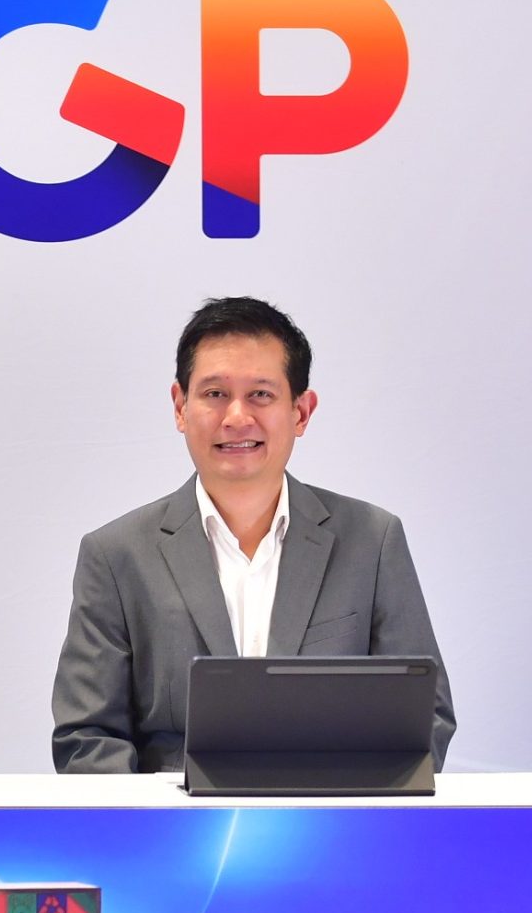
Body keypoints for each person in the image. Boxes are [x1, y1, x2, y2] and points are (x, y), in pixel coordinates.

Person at [50, 295, 454, 773]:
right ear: (180, 407)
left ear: (301, 412)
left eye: (261, 394)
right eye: (214, 393)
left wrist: (332, 803)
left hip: (329, 815)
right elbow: (87, 738)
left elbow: (423, 719)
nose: (237, 417)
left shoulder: (372, 541)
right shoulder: (116, 555)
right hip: (174, 818)